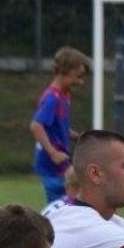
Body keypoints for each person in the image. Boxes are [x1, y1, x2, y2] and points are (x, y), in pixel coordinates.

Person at [30, 45, 87, 203]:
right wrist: (53, 153)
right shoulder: (52, 98)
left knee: (72, 200)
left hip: (60, 161)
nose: (81, 82)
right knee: (62, 204)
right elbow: (36, 126)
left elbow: (55, 127)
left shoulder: (64, 95)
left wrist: (75, 136)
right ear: (64, 71)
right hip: (52, 164)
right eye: (78, 76)